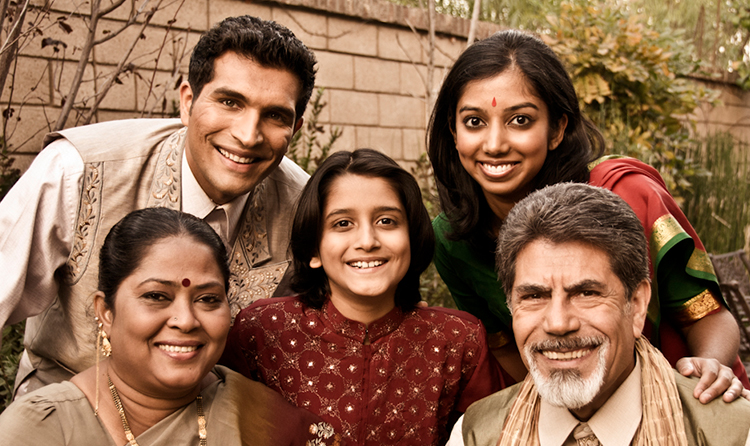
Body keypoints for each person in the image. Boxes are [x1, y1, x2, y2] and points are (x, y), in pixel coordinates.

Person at [0, 15, 317, 397]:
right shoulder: (78, 170)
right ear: (187, 101)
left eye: (274, 115)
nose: (247, 136)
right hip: (68, 412)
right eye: (230, 102)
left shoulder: (306, 206)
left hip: (213, 424)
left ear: (295, 128)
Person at [427, 29, 749, 396]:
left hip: (677, 397)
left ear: (557, 129)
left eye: (521, 121)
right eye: (474, 122)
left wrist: (708, 373)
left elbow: (707, 316)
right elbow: (503, 346)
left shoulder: (627, 195)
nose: (495, 144)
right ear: (453, 132)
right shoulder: (453, 238)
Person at [221, 149, 503, 446]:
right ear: (314, 249)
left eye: (387, 221)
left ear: (412, 237)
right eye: (343, 224)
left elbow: (499, 432)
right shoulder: (263, 330)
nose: (367, 241)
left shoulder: (458, 340)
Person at [0, 208, 339, 445]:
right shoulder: (42, 428)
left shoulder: (262, 418)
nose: (186, 320)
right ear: (105, 311)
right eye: (157, 296)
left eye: (207, 299)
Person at [447, 183, 750, 446]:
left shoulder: (732, 431)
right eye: (534, 296)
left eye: (586, 293)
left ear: (638, 304)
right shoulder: (476, 433)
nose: (558, 324)